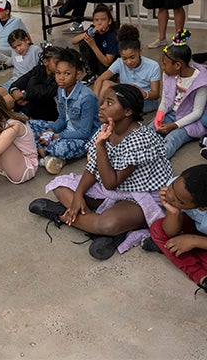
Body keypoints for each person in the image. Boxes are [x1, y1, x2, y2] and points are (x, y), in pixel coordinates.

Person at [29, 84, 173, 260]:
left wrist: (100, 146)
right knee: (61, 187)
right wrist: (78, 196)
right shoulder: (106, 128)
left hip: (142, 194)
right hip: (113, 188)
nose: (102, 106)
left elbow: (111, 182)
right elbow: (92, 168)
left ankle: (62, 213)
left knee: (108, 223)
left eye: (109, 103)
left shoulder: (141, 139)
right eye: (103, 101)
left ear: (127, 111)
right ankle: (99, 228)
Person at [28, 47, 100, 175]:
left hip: (84, 139)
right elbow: (62, 119)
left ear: (77, 74)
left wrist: (56, 136)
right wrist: (50, 130)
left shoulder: (86, 97)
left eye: (67, 74)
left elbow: (85, 132)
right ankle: (46, 155)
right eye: (58, 73)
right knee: (28, 125)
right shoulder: (61, 90)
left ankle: (44, 153)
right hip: (66, 130)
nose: (61, 78)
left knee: (59, 147)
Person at [148, 165, 207, 295]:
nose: (170, 195)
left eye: (179, 201)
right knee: (158, 229)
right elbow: (170, 232)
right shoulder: (180, 187)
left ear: (203, 207)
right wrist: (174, 212)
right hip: (195, 225)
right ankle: (200, 274)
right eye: (172, 187)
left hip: (199, 232)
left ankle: (201, 274)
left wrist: (194, 241)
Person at [153, 29, 207, 159]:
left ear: (178, 65)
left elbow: (197, 113)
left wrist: (174, 125)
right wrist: (160, 112)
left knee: (172, 138)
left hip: (191, 120)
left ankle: (156, 162)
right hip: (172, 113)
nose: (163, 67)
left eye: (165, 64)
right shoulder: (169, 74)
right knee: (150, 131)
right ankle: (139, 155)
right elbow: (166, 99)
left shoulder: (201, 81)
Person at [93, 24, 161, 113]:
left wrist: (144, 94)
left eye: (132, 57)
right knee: (106, 83)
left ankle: (104, 112)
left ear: (140, 51)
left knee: (115, 107)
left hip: (145, 101)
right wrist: (94, 100)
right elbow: (100, 80)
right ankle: (95, 109)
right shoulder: (119, 62)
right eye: (124, 58)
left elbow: (155, 95)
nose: (128, 62)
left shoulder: (153, 66)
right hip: (126, 96)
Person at [0, 45, 64, 121]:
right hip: (24, 110)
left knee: (33, 81)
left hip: (44, 117)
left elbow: (45, 92)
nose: (61, 66)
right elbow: (20, 81)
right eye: (57, 63)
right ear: (46, 62)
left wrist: (23, 95)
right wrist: (14, 91)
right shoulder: (38, 70)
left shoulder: (60, 78)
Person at [71, 3, 118, 82]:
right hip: (96, 62)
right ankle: (90, 72)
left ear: (109, 21)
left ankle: (98, 75)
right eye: (96, 20)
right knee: (83, 41)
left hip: (108, 68)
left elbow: (107, 62)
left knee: (106, 79)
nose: (99, 23)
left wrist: (93, 45)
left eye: (103, 20)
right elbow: (74, 41)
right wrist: (89, 33)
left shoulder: (112, 36)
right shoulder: (93, 29)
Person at [0, 0, 28, 71]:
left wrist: (29, 47)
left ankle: (7, 63)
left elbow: (27, 35)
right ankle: (13, 61)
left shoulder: (17, 21)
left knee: (22, 54)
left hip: (14, 49)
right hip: (1, 52)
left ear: (7, 11)